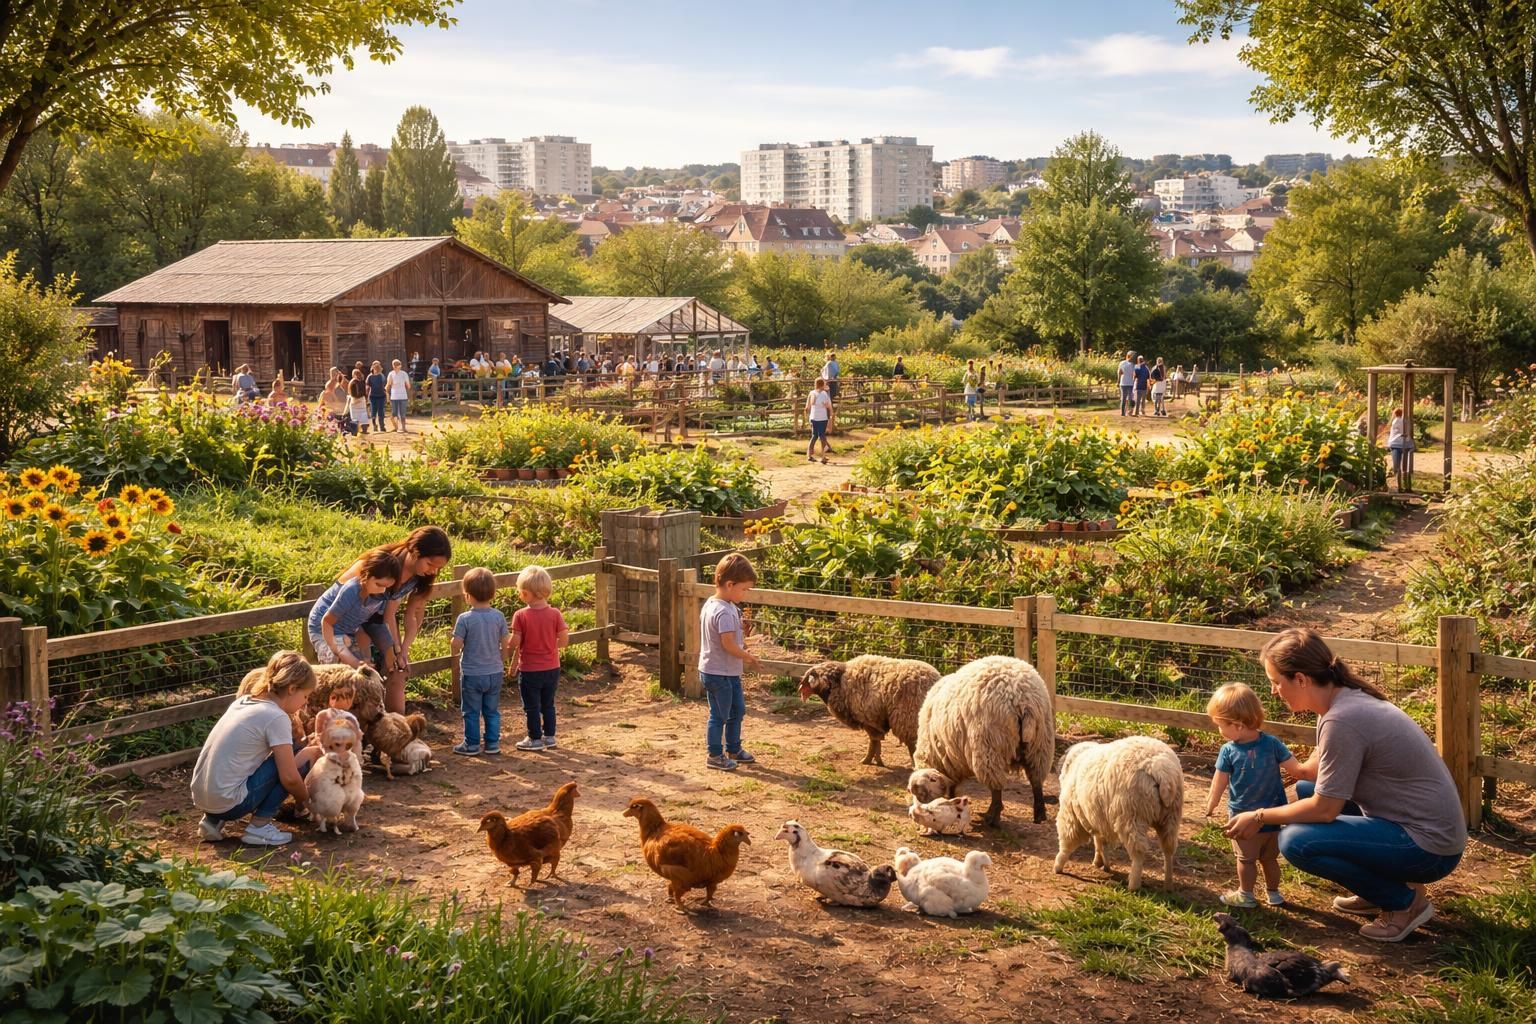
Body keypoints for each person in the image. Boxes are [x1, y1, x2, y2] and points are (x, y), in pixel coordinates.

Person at [1225, 628, 1467, 942]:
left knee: (1296, 840)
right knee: (1304, 793)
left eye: (1275, 682)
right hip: (1426, 828)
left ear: (1300, 679)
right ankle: (1379, 888)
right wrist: (1264, 756)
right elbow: (1310, 773)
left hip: (1429, 848)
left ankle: (1404, 903)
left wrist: (1259, 815)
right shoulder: (1342, 699)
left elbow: (1325, 810)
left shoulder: (1342, 720)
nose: (1273, 691)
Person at [191, 651, 321, 846]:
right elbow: (290, 778)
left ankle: (212, 821)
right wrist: (307, 800)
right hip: (231, 804)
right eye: (306, 696)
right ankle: (260, 827)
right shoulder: (276, 717)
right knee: (297, 754)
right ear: (292, 689)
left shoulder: (241, 703)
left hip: (203, 798)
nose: (305, 703)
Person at [334, 526, 454, 715]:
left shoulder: (417, 576)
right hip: (346, 623)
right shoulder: (383, 564)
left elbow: (406, 614)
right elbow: (348, 606)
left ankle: (395, 727)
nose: (433, 572)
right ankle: (364, 727)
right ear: (415, 551)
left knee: (398, 669)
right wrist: (393, 648)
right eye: (431, 564)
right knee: (361, 675)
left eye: (438, 568)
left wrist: (402, 650)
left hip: (376, 623)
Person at [1205, 682, 1301, 909]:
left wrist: (1211, 803)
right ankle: (1274, 893)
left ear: (1237, 725)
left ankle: (1245, 894)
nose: (1219, 730)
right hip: (1275, 815)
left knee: (1246, 859)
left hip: (1243, 817)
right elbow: (1296, 769)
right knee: (1269, 859)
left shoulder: (1229, 750)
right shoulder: (1273, 743)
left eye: (1220, 725)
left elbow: (1220, 779)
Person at [699, 553, 761, 772]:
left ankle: (734, 748)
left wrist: (742, 643)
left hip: (727, 672)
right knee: (720, 715)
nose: (745, 594)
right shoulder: (723, 611)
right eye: (743, 589)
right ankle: (715, 755)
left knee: (737, 710)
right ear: (729, 584)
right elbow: (727, 644)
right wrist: (747, 656)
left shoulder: (718, 605)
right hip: (719, 673)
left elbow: (730, 640)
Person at [306, 548, 401, 666]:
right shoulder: (351, 590)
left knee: (361, 670)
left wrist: (387, 650)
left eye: (387, 587)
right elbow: (327, 621)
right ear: (366, 575)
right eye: (378, 584)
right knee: (342, 670)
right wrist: (336, 649)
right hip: (325, 629)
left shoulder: (381, 596)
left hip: (348, 632)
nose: (382, 590)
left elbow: (373, 623)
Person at [451, 567, 510, 757]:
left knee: (471, 711)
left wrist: (453, 644)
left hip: (472, 673)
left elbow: (457, 644)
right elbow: (505, 641)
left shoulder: (465, 619)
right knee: (492, 710)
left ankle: (472, 744)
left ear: (467, 596)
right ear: (492, 593)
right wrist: (503, 660)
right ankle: (492, 743)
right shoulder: (499, 616)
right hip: (494, 672)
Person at [510, 565, 569, 752]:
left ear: (526, 593)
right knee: (548, 704)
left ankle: (534, 738)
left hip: (530, 669)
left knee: (532, 706)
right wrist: (551, 647)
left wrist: (504, 641)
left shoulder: (520, 615)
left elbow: (516, 642)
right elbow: (564, 639)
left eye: (520, 592)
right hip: (552, 667)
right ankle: (550, 736)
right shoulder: (555, 614)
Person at [312, 677, 361, 742]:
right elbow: (319, 736)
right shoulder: (323, 715)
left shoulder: (349, 718)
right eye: (346, 697)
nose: (349, 701)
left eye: (349, 697)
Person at [806, 376, 834, 463]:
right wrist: (831, 414)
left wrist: (808, 417)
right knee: (822, 436)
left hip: (814, 417)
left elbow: (807, 407)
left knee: (814, 436)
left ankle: (809, 455)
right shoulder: (824, 394)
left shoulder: (811, 393)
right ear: (822, 384)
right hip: (822, 418)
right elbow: (829, 406)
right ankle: (823, 456)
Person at [1387, 407, 1415, 483]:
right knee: (1405, 463)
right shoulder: (1406, 421)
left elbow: (1393, 433)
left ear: (1395, 414)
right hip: (1406, 444)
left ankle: (1397, 477)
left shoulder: (1395, 421)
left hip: (1395, 443)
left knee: (1396, 463)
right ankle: (1404, 478)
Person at [321, 367, 352, 434]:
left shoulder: (341, 380)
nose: (333, 375)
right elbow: (329, 394)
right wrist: (335, 399)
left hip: (342, 405)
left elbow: (348, 386)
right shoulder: (329, 383)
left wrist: (342, 377)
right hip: (333, 406)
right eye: (332, 373)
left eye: (334, 373)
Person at [386, 358, 412, 432]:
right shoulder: (391, 374)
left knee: (402, 412)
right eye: (395, 365)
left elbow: (408, 385)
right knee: (394, 413)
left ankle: (403, 427)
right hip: (394, 396)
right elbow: (388, 384)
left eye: (397, 365)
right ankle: (396, 427)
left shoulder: (404, 374)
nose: (396, 366)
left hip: (402, 396)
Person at [366, 361, 387, 433]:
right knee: (374, 411)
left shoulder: (381, 376)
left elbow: (383, 384)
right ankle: (376, 425)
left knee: (379, 411)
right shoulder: (370, 376)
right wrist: (367, 396)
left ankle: (381, 426)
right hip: (374, 396)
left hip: (380, 396)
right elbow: (368, 387)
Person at [1118, 351, 1136, 416]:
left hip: (1127, 383)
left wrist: (1118, 381)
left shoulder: (1132, 364)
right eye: (1132, 356)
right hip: (1126, 383)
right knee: (1126, 398)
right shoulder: (1124, 363)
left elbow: (1120, 372)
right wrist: (1118, 381)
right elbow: (1120, 372)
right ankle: (1125, 411)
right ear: (1129, 356)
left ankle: (1127, 412)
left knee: (1127, 398)